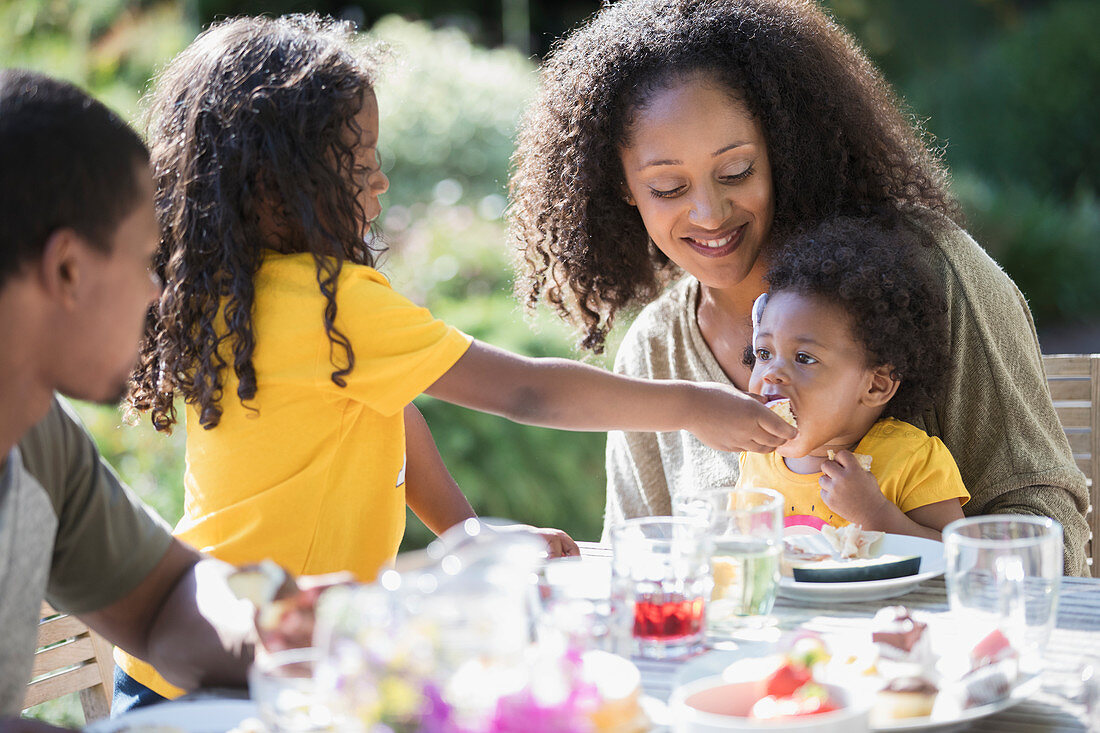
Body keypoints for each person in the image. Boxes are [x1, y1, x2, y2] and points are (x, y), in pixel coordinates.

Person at [114, 14, 797, 706]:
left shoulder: (229, 295)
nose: (378, 182)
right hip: (246, 666)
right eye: (357, 164)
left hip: (199, 642)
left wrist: (475, 539)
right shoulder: (331, 304)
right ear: (270, 188)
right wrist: (694, 405)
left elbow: (392, 418)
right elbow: (526, 392)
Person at [508, 0, 1088, 571]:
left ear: (786, 151)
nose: (709, 213)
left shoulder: (932, 276)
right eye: (667, 187)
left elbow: (1042, 527)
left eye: (736, 172)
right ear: (625, 187)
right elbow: (644, 565)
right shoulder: (656, 349)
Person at [0, 69, 264, 731]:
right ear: (68, 269)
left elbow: (161, 599)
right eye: (147, 260)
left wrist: (293, 628)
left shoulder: (34, 433)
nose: (156, 293)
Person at [737, 217, 968, 539]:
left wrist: (876, 514)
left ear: (876, 385)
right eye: (764, 353)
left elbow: (960, 557)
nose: (772, 371)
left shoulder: (910, 459)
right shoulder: (754, 459)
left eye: (804, 358)